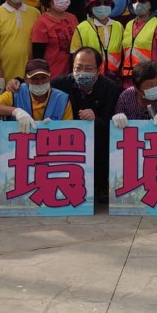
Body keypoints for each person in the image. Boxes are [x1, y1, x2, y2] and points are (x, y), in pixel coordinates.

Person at [51, 46, 121, 202]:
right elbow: (37, 88)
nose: (83, 72)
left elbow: (111, 124)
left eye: (89, 68)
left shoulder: (110, 88)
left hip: (98, 139)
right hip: (68, 141)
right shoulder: (60, 84)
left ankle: (102, 186)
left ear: (98, 69)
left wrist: (95, 118)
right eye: (78, 67)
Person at [0, 59, 73, 131]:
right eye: (34, 79)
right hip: (17, 144)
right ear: (25, 79)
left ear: (50, 77)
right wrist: (16, 111)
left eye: (44, 78)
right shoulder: (17, 92)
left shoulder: (62, 99)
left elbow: (70, 128)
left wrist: (55, 127)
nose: (40, 82)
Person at [120, 0, 157, 88]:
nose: (137, 3)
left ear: (151, 3)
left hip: (149, 80)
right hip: (128, 81)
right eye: (134, 0)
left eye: (142, 0)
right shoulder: (129, 25)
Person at [70, 0, 124, 80]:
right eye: (98, 3)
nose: (102, 6)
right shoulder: (81, 28)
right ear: (91, 7)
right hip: (90, 77)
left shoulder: (118, 26)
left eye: (106, 3)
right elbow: (74, 56)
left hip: (115, 77)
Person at [32, 0, 78, 78]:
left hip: (72, 77)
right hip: (52, 77)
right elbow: (38, 57)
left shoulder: (72, 18)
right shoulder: (42, 23)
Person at [112, 59, 157, 124]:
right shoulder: (126, 97)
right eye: (150, 85)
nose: (155, 88)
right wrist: (118, 120)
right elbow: (117, 129)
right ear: (136, 87)